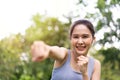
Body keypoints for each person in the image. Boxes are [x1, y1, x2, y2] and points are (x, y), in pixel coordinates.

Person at [31, 19, 101, 80]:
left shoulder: (95, 65)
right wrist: (47, 49)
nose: (80, 42)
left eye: (85, 36)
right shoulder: (65, 55)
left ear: (93, 39)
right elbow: (56, 50)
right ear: (70, 39)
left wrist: (84, 74)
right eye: (76, 37)